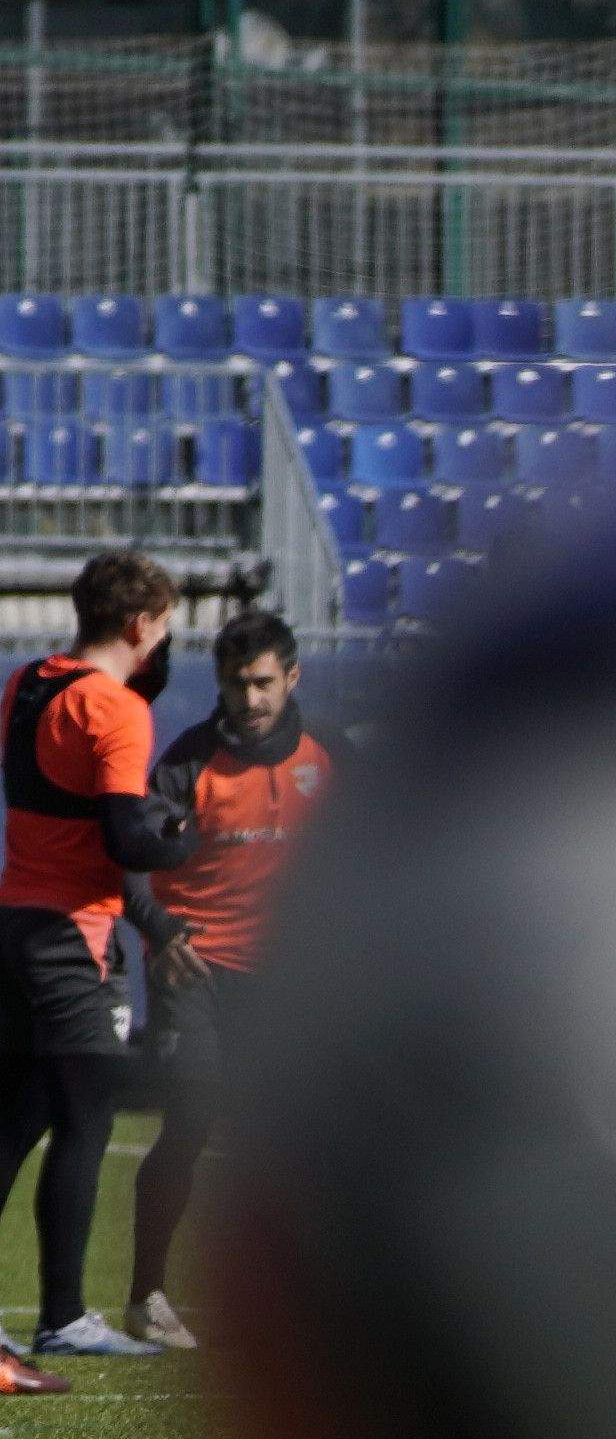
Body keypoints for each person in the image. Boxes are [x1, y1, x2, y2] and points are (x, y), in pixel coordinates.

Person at [0, 552, 200, 1360]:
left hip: (15, 918)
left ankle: (60, 1318)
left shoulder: (24, 683)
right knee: (86, 1119)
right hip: (69, 935)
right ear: (140, 623)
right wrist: (179, 840)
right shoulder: (114, 707)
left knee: (16, 1119)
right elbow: (125, 839)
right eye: (163, 626)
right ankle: (64, 1318)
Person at [126, 607, 329, 1351]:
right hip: (198, 971)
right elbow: (130, 861)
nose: (251, 699)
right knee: (192, 1117)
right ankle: (146, 1295)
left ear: (292, 677)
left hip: (285, 981)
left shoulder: (328, 757)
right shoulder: (187, 762)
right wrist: (161, 930)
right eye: (238, 685)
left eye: (263, 682)